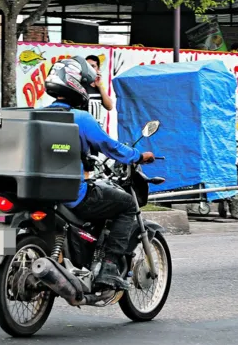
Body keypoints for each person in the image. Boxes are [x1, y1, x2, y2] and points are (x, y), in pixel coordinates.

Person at [44, 55, 155, 291]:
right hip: (72, 194)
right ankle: (109, 266)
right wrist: (138, 156)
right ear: (76, 85)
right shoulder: (81, 118)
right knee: (126, 205)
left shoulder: (37, 114)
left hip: (38, 194)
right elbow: (110, 146)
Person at [84, 55, 113, 120]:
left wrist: (99, 86)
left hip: (95, 126)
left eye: (93, 66)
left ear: (98, 69)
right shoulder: (79, 85)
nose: (90, 69)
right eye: (87, 66)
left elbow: (109, 107)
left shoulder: (99, 87)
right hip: (82, 126)